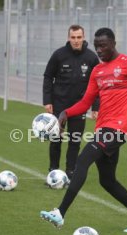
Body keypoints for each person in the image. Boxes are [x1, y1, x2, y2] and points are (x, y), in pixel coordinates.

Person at [40, 27, 127, 232]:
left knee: (82, 160)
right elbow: (86, 102)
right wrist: (65, 114)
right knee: (107, 181)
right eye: (97, 46)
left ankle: (60, 213)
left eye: (103, 46)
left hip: (119, 129)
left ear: (114, 44)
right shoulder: (97, 71)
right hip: (103, 129)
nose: (99, 50)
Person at [42, 25, 99, 180]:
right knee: (56, 139)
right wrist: (47, 100)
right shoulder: (59, 55)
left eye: (79, 37)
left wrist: (95, 106)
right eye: (73, 37)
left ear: (83, 37)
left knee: (75, 141)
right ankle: (53, 170)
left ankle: (70, 171)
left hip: (80, 106)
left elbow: (97, 84)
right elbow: (48, 76)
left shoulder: (91, 58)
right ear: (68, 38)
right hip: (59, 105)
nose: (76, 41)